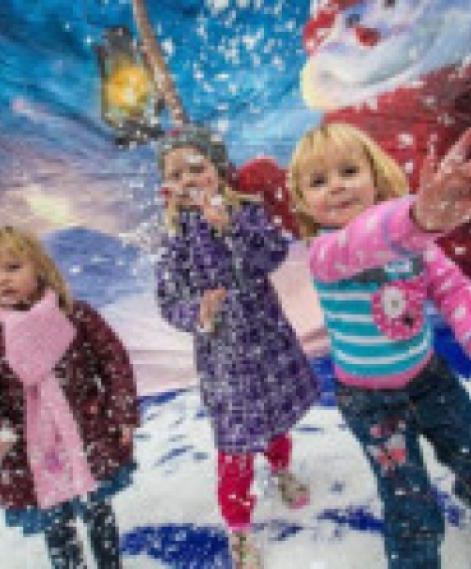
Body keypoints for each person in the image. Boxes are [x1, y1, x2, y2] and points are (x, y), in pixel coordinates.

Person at [287, 122, 471, 569]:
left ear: (375, 177)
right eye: (319, 181)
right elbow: (362, 242)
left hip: (429, 380)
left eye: (348, 171)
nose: (337, 187)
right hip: (371, 404)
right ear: (304, 203)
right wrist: (418, 218)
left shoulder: (413, 243)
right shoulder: (325, 253)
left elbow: (454, 290)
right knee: (413, 514)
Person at [155, 124, 320, 569]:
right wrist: (199, 315)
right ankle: (239, 527)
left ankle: (282, 469)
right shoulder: (173, 242)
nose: (189, 179)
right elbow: (169, 301)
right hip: (224, 360)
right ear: (166, 187)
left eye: (197, 167)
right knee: (235, 444)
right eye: (177, 173)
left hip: (268, 343)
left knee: (276, 419)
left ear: (218, 173)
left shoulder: (246, 214)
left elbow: (271, 256)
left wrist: (231, 229)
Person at [0, 225, 139, 569]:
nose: (3, 280)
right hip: (30, 455)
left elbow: (114, 361)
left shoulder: (74, 316)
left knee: (99, 515)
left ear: (38, 267)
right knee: (57, 530)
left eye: (13, 267)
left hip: (86, 435)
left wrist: (121, 412)